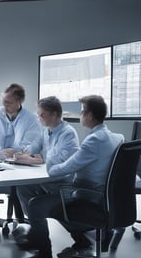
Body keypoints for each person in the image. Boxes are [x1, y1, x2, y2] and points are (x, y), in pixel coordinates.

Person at [23, 95, 125, 258]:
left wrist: (48, 157)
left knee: (35, 206)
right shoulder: (116, 137)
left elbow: (58, 170)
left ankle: (44, 253)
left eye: (82, 112)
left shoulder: (93, 141)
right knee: (31, 192)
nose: (80, 115)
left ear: (90, 116)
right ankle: (81, 239)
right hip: (100, 193)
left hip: (86, 194)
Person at [13, 96, 79, 219]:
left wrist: (38, 158)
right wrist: (25, 153)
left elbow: (61, 162)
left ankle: (39, 228)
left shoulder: (68, 133)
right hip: (48, 182)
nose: (39, 118)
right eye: (38, 115)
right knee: (22, 187)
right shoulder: (46, 131)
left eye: (42, 115)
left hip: (62, 186)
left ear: (54, 114)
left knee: (34, 204)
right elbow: (35, 146)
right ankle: (36, 223)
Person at [0, 83, 41, 160]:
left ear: (19, 102)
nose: (5, 107)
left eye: (8, 103)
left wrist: (14, 151)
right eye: (4, 102)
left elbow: (29, 146)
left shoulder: (31, 119)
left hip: (20, 161)